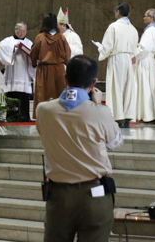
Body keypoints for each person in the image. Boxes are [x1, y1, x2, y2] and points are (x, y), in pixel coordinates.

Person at [36, 55, 123, 242]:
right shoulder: (100, 112)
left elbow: (42, 132)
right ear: (93, 83)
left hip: (58, 196)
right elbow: (115, 143)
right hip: (94, 195)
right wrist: (97, 104)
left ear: (66, 79)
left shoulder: (43, 110)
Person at [92, 3, 139, 128]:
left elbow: (107, 46)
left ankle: (118, 118)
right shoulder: (133, 29)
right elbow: (135, 48)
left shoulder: (114, 27)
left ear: (118, 12)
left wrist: (101, 49)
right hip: (128, 59)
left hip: (117, 59)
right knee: (127, 88)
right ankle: (127, 116)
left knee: (116, 87)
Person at [30, 13, 71, 118]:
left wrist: (34, 63)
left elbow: (33, 52)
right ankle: (59, 116)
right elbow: (67, 54)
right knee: (59, 93)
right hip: (59, 70)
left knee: (43, 94)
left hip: (44, 70)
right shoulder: (61, 38)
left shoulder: (40, 38)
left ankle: (43, 117)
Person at [0, 22, 35, 122]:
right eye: (20, 31)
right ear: (15, 30)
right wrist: (13, 47)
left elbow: (34, 56)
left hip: (24, 75)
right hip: (12, 76)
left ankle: (24, 117)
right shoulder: (7, 41)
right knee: (12, 97)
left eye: (24, 31)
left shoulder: (29, 43)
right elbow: (2, 51)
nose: (22, 33)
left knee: (23, 98)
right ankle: (12, 117)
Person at [135, 9, 155, 124]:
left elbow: (144, 48)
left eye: (145, 16)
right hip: (151, 61)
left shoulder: (150, 31)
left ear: (151, 17)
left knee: (146, 87)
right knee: (151, 88)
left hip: (145, 60)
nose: (143, 18)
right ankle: (154, 114)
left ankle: (148, 115)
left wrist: (134, 54)